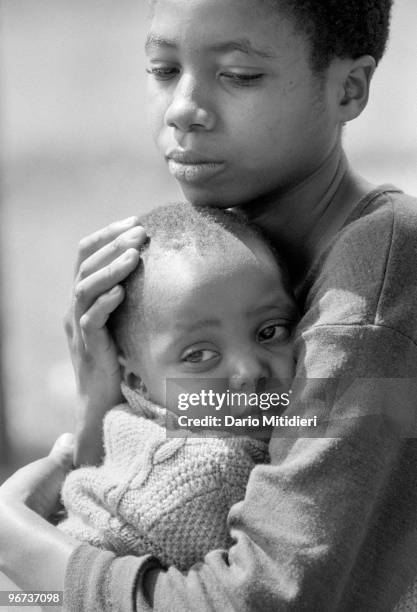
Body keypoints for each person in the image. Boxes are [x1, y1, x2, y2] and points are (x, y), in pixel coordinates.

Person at [1, 0, 417, 610]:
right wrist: (104, 410)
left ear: (349, 89)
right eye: (164, 70)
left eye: (238, 75)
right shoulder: (228, 259)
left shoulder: (371, 284)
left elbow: (259, 598)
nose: (183, 111)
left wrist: (13, 539)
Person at [59, 201, 297, 570]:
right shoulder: (203, 476)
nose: (249, 371)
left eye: (270, 332)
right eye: (199, 356)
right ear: (137, 381)